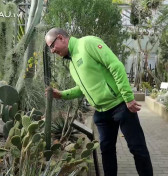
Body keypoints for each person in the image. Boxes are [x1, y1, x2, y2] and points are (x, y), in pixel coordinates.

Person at [45, 28, 153, 176]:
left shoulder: (87, 43)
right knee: (107, 152)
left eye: (51, 45)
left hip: (121, 106)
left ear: (61, 38)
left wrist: (128, 98)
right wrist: (62, 94)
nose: (51, 51)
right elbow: (82, 88)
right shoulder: (71, 64)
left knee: (137, 148)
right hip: (102, 113)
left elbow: (116, 66)